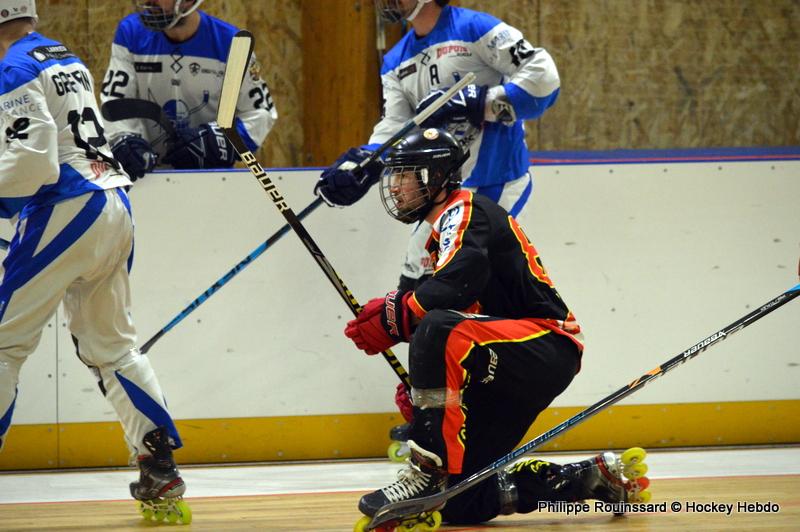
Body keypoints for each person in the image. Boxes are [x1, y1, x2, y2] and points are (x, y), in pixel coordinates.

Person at [345, 128, 649, 527]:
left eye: (405, 175)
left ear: (435, 177)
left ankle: (425, 474)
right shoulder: (441, 234)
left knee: (438, 328)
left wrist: (396, 314)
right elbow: (456, 315)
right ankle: (589, 479)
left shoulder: (464, 210)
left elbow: (458, 283)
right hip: (506, 361)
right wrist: (427, 395)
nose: (396, 187)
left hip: (545, 343)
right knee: (460, 499)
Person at [0, 1, 189, 523]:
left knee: (4, 343)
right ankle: (158, 463)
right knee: (114, 346)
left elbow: (33, 160)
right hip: (112, 204)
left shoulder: (13, 66)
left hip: (65, 205)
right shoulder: (62, 56)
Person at [315, 0, 560, 291]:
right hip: (445, 192)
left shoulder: (476, 28)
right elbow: (397, 125)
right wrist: (365, 162)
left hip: (497, 184)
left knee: (461, 287)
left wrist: (480, 102)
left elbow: (544, 77)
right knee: (415, 285)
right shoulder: (395, 61)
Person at [101, 0, 278, 180]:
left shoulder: (232, 43)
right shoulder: (131, 33)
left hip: (210, 180)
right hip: (146, 179)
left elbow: (260, 114)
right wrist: (123, 140)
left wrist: (216, 141)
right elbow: (115, 104)